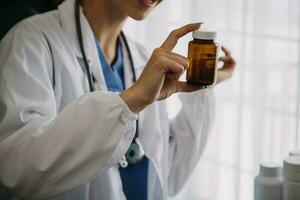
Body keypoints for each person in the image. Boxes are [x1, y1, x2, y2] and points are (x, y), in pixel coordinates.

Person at [0, 0, 236, 199]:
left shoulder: (143, 58)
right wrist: (130, 101)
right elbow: (19, 171)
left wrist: (203, 87)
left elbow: (167, 176)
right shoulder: (30, 42)